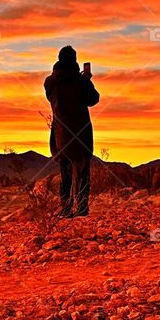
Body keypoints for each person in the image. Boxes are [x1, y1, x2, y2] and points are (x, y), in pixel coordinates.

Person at [44, 46, 100, 217]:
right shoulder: (81, 81)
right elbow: (93, 99)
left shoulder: (50, 82)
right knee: (82, 170)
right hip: (81, 132)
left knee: (65, 171)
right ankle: (82, 208)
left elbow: (51, 97)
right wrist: (87, 79)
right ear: (75, 60)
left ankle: (66, 209)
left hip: (61, 133)